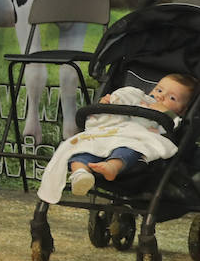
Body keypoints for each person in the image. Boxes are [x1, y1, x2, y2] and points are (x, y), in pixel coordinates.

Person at [36, 74, 197, 203]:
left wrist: (166, 113)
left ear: (183, 110)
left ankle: (112, 167)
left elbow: (175, 127)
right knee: (81, 147)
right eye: (159, 90)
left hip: (135, 140)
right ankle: (80, 172)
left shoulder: (173, 117)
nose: (161, 97)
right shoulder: (138, 100)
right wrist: (106, 105)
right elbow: (108, 119)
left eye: (172, 98)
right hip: (110, 135)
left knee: (130, 149)